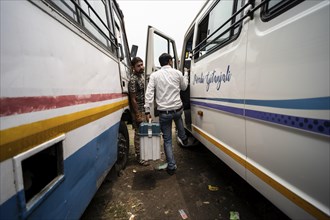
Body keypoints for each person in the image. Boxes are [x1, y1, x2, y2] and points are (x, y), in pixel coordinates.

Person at [144, 53, 190, 175]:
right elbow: (184, 87)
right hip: (177, 109)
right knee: (179, 118)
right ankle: (183, 137)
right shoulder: (177, 73)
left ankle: (171, 166)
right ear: (170, 61)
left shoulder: (154, 75)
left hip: (164, 113)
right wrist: (186, 73)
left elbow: (149, 93)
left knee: (168, 140)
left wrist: (147, 110)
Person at [128, 57, 149, 166]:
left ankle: (144, 154)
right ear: (133, 67)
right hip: (137, 110)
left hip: (143, 108)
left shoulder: (141, 76)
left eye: (142, 64)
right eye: (138, 65)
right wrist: (137, 114)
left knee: (144, 131)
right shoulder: (133, 80)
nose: (141, 67)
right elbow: (133, 99)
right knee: (138, 133)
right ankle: (139, 157)